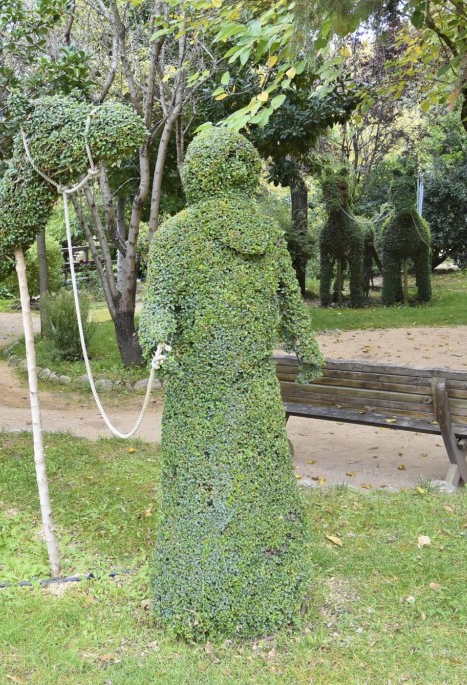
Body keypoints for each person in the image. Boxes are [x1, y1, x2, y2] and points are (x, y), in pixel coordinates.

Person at [139, 127, 323, 638]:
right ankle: (268, 587)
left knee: (197, 480)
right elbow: (292, 304)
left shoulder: (176, 235)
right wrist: (306, 348)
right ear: (244, 171)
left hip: (198, 386)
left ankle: (193, 591)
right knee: (259, 476)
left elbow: (156, 307)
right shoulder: (267, 235)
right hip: (256, 386)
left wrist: (160, 341)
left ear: (197, 172)